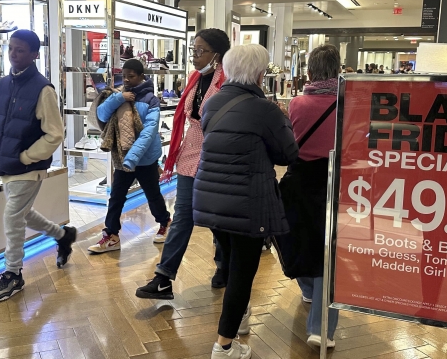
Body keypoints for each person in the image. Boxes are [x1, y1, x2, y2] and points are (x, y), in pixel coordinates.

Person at [194, 43, 298, 359]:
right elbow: (287, 154)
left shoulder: (211, 103)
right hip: (247, 202)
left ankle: (238, 321)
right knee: (242, 271)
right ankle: (224, 346)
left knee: (230, 264)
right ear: (260, 73)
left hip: (211, 198)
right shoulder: (265, 109)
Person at [135, 28, 231, 299]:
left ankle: (224, 264)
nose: (194, 56)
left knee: (216, 216)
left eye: (200, 51)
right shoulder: (194, 78)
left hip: (217, 152)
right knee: (183, 215)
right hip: (191, 151)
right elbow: (188, 114)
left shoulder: (229, 79)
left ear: (217, 54)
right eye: (193, 50)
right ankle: (163, 277)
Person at [0, 30, 77, 302]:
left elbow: (55, 133)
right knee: (22, 213)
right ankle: (62, 235)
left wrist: (26, 157)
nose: (13, 53)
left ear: (35, 54)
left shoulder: (43, 89)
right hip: (5, 164)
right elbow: (0, 124)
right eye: (11, 48)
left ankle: (13, 273)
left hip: (28, 167)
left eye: (20, 50)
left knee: (12, 216)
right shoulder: (3, 84)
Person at [284, 43, 340, 348]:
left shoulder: (297, 103)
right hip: (336, 182)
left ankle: (307, 288)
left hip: (301, 181)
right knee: (328, 254)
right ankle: (322, 328)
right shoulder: (349, 103)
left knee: (299, 239)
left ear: (310, 70)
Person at [87, 59, 171, 253]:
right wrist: (119, 98)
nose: (126, 80)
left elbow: (149, 132)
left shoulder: (151, 100)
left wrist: (132, 157)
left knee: (152, 194)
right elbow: (101, 114)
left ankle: (165, 221)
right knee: (116, 197)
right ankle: (111, 235)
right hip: (123, 158)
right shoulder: (118, 94)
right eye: (124, 76)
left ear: (141, 76)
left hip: (145, 158)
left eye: (131, 76)